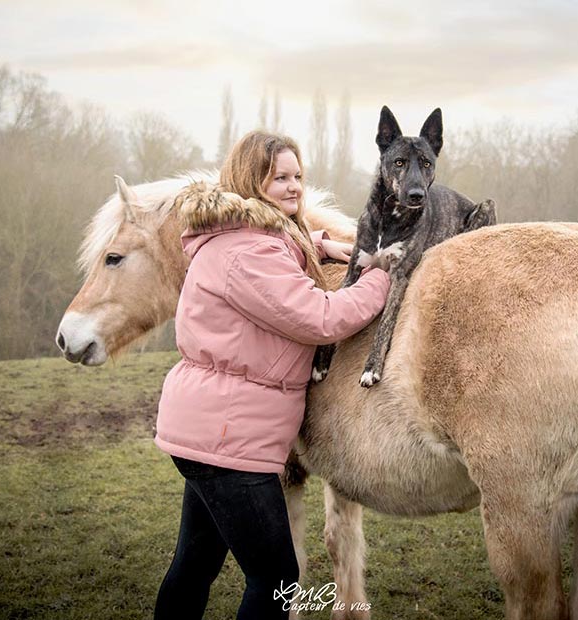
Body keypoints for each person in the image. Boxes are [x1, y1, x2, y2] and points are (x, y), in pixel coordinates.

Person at [153, 131, 390, 619]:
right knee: (278, 580)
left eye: (298, 176)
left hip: (207, 433)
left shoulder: (239, 238)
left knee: (195, 564)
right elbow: (321, 318)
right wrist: (381, 277)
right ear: (250, 181)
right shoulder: (248, 255)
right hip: (230, 443)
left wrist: (324, 246)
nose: (294, 186)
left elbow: (282, 251)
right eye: (278, 177)